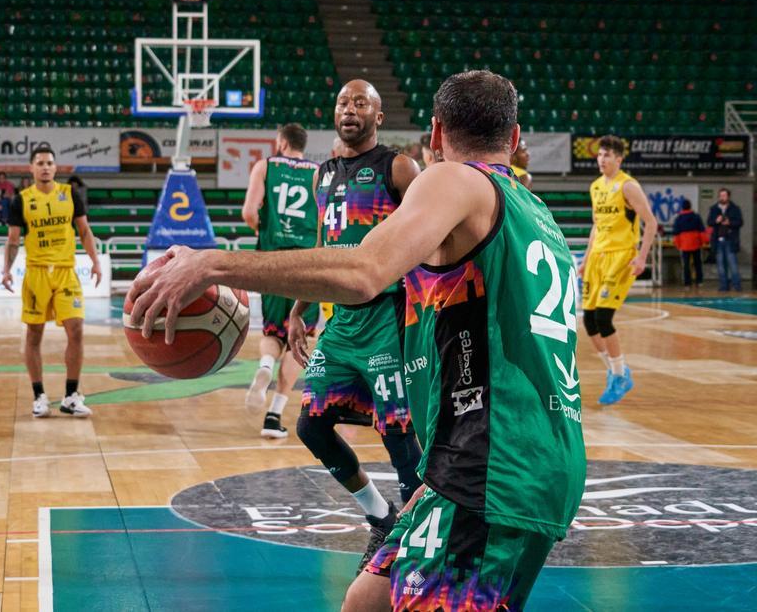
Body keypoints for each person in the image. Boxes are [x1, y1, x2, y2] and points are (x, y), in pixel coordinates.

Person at [128, 70, 585, 611]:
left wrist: (211, 263)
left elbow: (366, 269)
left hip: (494, 466)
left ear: (436, 135)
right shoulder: (539, 215)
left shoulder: (450, 180)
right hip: (517, 454)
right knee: (363, 602)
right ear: (514, 139)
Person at [282, 80, 423, 568]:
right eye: (344, 102)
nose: (350, 109)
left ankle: (417, 535)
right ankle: (381, 517)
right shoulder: (322, 175)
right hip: (340, 321)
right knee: (310, 425)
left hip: (389, 315)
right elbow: (326, 250)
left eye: (361, 102)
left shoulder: (399, 167)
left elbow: (432, 234)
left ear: (378, 116)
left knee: (398, 431)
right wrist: (298, 310)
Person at [3, 145, 103, 418]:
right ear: (31, 168)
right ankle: (39, 396)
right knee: (34, 335)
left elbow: (84, 230)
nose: (45, 167)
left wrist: (95, 261)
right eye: (40, 163)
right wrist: (6, 270)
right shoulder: (21, 200)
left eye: (49, 162)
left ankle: (71, 395)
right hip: (36, 273)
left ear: (56, 167)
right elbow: (13, 240)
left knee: (77, 330)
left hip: (65, 271)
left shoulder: (70, 194)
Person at [239, 123, 321, 438]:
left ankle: (263, 366)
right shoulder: (318, 172)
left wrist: (267, 234)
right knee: (298, 339)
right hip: (306, 263)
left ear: (282, 143)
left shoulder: (265, 165)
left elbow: (249, 212)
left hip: (273, 260)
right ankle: (274, 415)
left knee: (273, 332)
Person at [582, 135, 658, 405]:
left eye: (607, 156)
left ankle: (618, 374)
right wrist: (586, 258)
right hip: (597, 258)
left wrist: (641, 257)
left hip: (620, 257)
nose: (601, 160)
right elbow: (596, 225)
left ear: (619, 159)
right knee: (589, 321)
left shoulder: (628, 186)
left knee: (604, 318)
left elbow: (650, 222)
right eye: (600, 155)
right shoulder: (595, 186)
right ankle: (617, 371)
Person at [706, 188, 744, 292]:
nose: (722, 197)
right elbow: (709, 222)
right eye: (721, 195)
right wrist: (716, 220)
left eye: (724, 195)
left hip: (730, 239)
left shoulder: (735, 209)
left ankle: (737, 285)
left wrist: (729, 222)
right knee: (720, 265)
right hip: (718, 240)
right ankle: (724, 286)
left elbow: (740, 222)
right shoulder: (714, 209)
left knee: (733, 264)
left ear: (728, 196)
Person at [672, 198, 705, 290]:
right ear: (690, 206)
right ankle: (699, 281)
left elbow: (676, 233)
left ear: (682, 207)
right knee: (697, 263)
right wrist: (703, 242)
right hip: (696, 243)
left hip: (684, 244)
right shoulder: (696, 216)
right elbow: (702, 230)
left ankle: (687, 283)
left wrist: (678, 245)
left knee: (686, 265)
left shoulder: (679, 218)